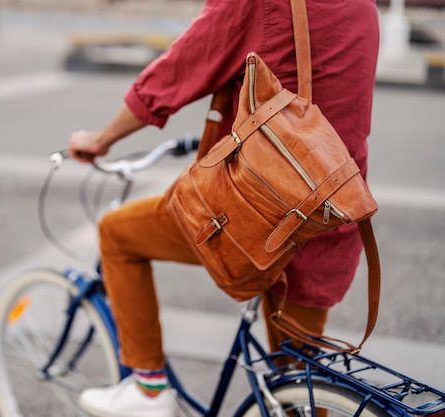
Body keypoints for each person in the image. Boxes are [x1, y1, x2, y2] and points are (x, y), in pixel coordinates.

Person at [67, 1, 380, 416]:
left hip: (253, 214)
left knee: (117, 233)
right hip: (329, 215)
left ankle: (147, 389)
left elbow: (179, 69)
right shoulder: (362, 6)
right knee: (301, 391)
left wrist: (103, 138)